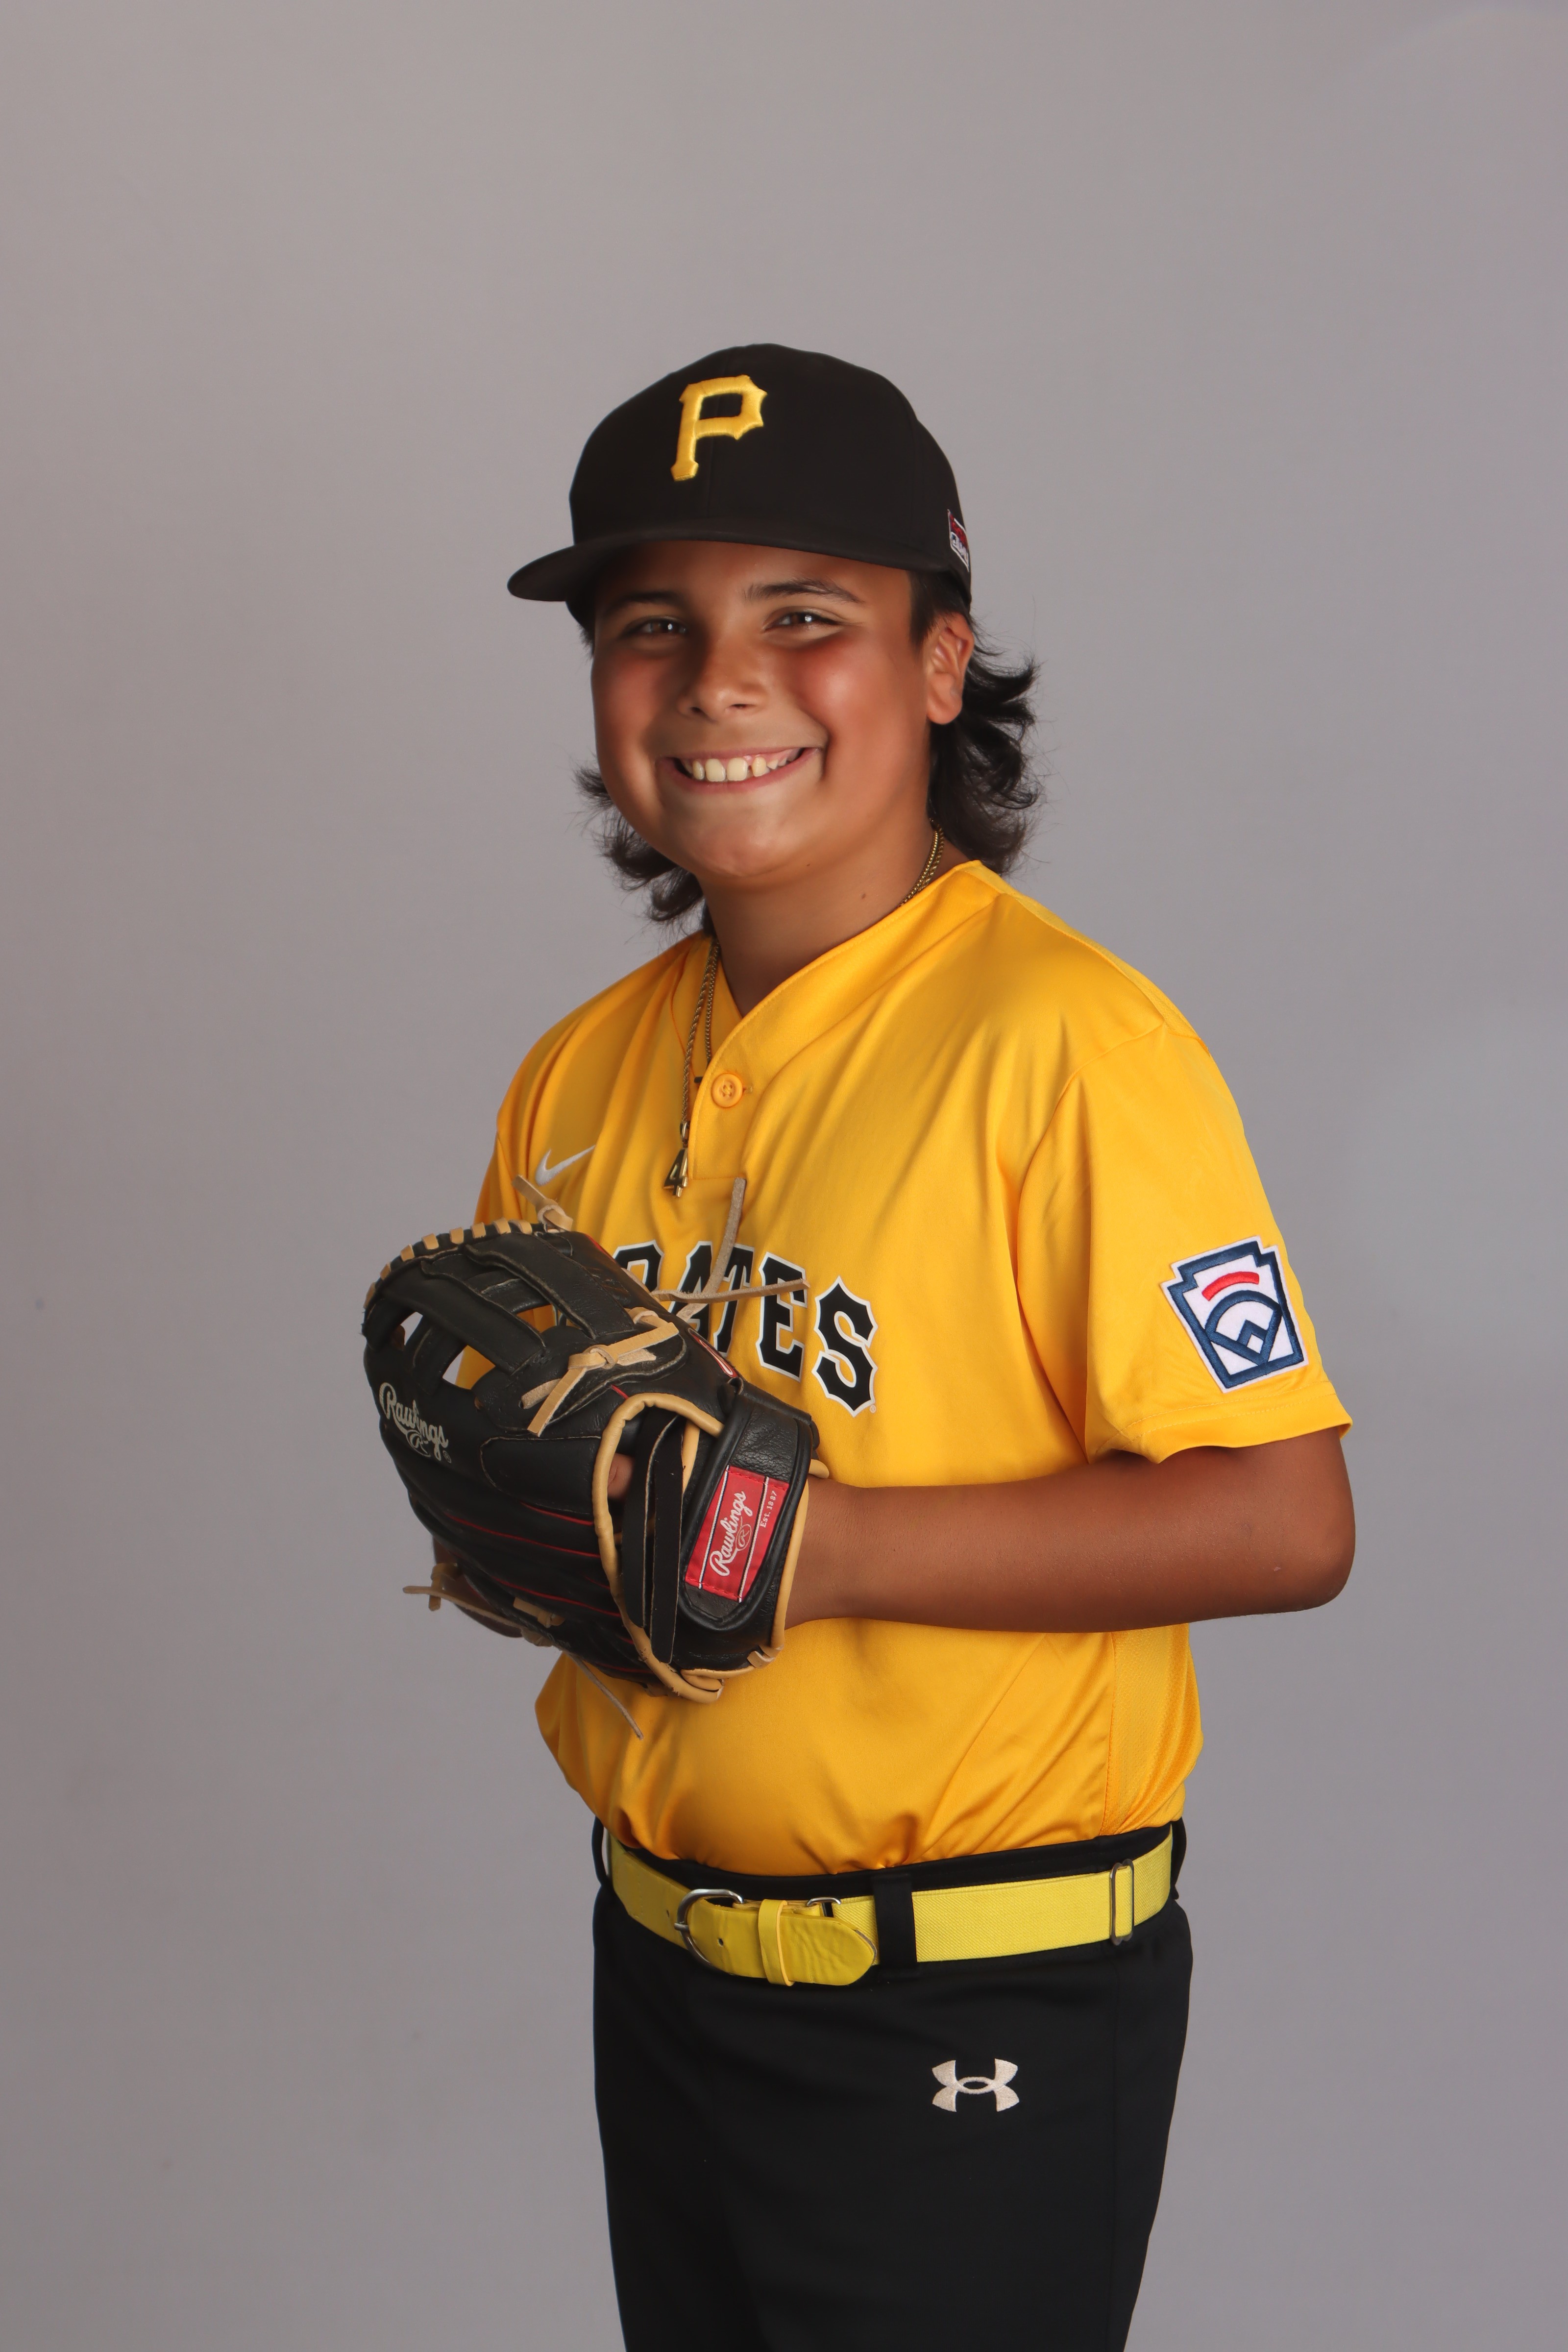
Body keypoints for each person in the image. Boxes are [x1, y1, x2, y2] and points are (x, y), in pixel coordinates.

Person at [451, 344, 1353, 2350]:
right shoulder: (576, 1076)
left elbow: (1286, 1520)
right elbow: (598, 1515)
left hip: (968, 1992)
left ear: (941, 664)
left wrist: (812, 1546)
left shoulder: (1066, 1044)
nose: (720, 681)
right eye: (650, 625)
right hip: (662, 1962)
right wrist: (531, 1543)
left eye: (805, 616)